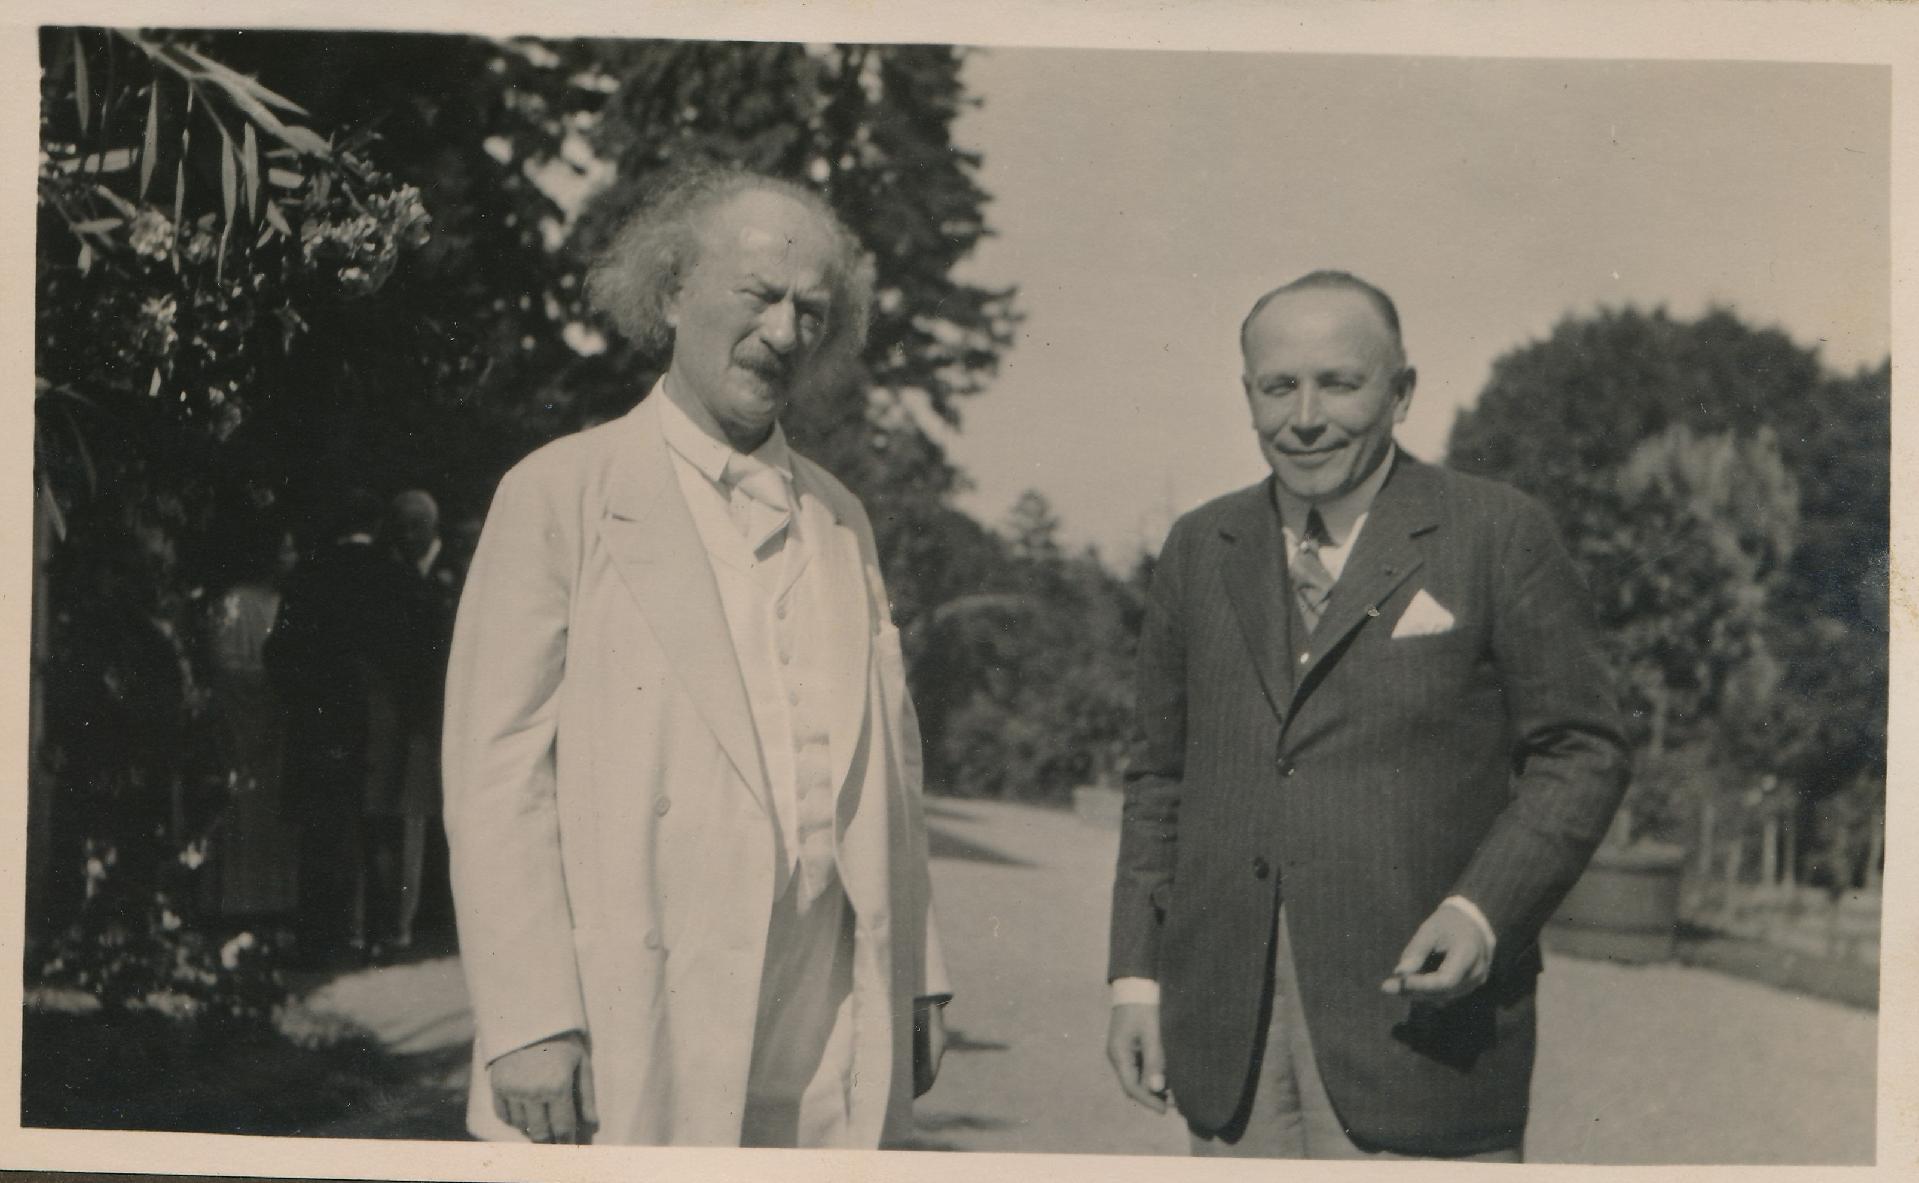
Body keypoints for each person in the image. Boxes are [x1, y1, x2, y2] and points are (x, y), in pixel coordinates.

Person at [443, 162, 951, 1148]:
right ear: (671, 291)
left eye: (810, 310)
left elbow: (893, 765)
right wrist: (529, 1016)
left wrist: (917, 970)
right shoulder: (561, 492)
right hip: (636, 993)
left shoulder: (840, 519)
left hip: (817, 1007)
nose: (782, 333)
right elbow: (495, 772)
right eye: (759, 295)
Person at [1105, 271, 1629, 1161]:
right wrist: (1134, 978)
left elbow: (1581, 748)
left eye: (1338, 384)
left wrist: (1481, 911)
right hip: (1230, 1045)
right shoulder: (1201, 544)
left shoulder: (1495, 532)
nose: (1304, 417)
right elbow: (1161, 773)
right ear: (1248, 397)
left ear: (1401, 393)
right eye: (1278, 387)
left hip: (1421, 1040)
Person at [266, 490, 411, 967]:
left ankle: (320, 939)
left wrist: (300, 699)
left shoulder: (310, 573)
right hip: (381, 710)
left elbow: (279, 652)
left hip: (321, 712)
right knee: (380, 823)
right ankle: (380, 935)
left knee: (322, 828)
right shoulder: (396, 574)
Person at [369, 489, 459, 954]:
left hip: (451, 710)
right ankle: (409, 922)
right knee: (411, 816)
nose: (406, 536)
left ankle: (440, 917)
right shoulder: (393, 577)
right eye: (399, 527)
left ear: (431, 526)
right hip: (413, 715)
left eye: (413, 526)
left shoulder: (457, 572)